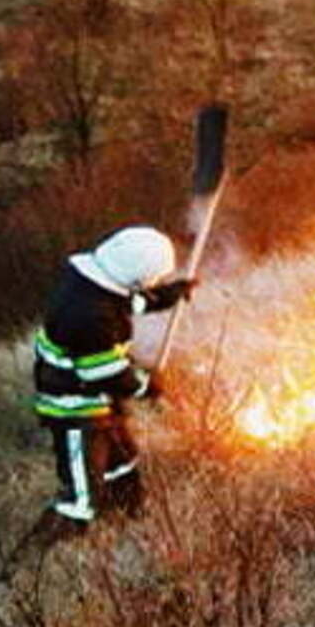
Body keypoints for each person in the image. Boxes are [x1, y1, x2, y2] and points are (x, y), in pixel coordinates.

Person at [33, 225, 194, 528]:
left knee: (121, 462)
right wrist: (146, 386)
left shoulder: (87, 284)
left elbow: (124, 301)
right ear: (136, 277)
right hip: (74, 409)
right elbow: (105, 373)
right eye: (152, 281)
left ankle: (129, 520)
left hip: (96, 400)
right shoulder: (91, 317)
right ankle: (29, 564)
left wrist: (164, 297)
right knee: (81, 499)